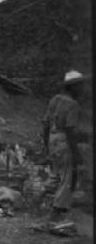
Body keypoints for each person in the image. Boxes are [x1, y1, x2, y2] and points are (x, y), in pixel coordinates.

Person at [39, 70, 86, 227]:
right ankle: (55, 213)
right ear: (72, 87)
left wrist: (47, 144)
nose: (82, 89)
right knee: (67, 177)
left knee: (56, 173)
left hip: (53, 138)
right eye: (80, 85)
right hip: (64, 140)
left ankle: (39, 199)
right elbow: (70, 131)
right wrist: (76, 153)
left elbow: (45, 123)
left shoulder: (55, 99)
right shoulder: (72, 105)